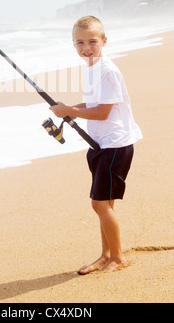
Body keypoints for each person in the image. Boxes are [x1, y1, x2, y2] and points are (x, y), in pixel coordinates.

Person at [49, 15, 142, 273]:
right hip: (99, 145)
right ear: (73, 44)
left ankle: (118, 258)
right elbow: (92, 106)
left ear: (104, 41)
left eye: (92, 41)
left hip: (115, 145)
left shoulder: (108, 71)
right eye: (80, 42)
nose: (86, 48)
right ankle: (106, 255)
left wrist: (73, 111)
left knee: (99, 204)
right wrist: (68, 109)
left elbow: (102, 112)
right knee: (105, 204)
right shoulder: (92, 68)